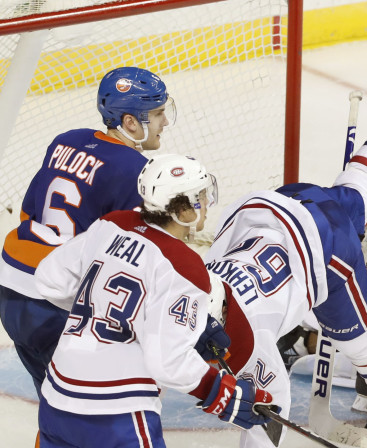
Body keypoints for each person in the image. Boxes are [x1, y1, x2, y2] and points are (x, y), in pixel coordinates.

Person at [201, 73, 367, 445]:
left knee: (356, 336)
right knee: (354, 190)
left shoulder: (250, 342)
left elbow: (269, 414)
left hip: (327, 252)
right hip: (277, 207)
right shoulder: (186, 282)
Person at [33, 154, 273, 447]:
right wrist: (220, 393)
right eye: (200, 196)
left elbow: (49, 278)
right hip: (116, 411)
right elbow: (167, 363)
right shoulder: (185, 265)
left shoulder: (111, 224)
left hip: (56, 397)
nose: (207, 203)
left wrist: (104, 311)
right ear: (183, 209)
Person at [0, 66, 175, 398]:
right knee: (105, 409)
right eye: (157, 113)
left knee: (57, 409)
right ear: (129, 122)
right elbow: (129, 260)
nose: (164, 122)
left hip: (10, 286)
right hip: (55, 303)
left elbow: (28, 211)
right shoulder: (138, 172)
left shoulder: (66, 140)